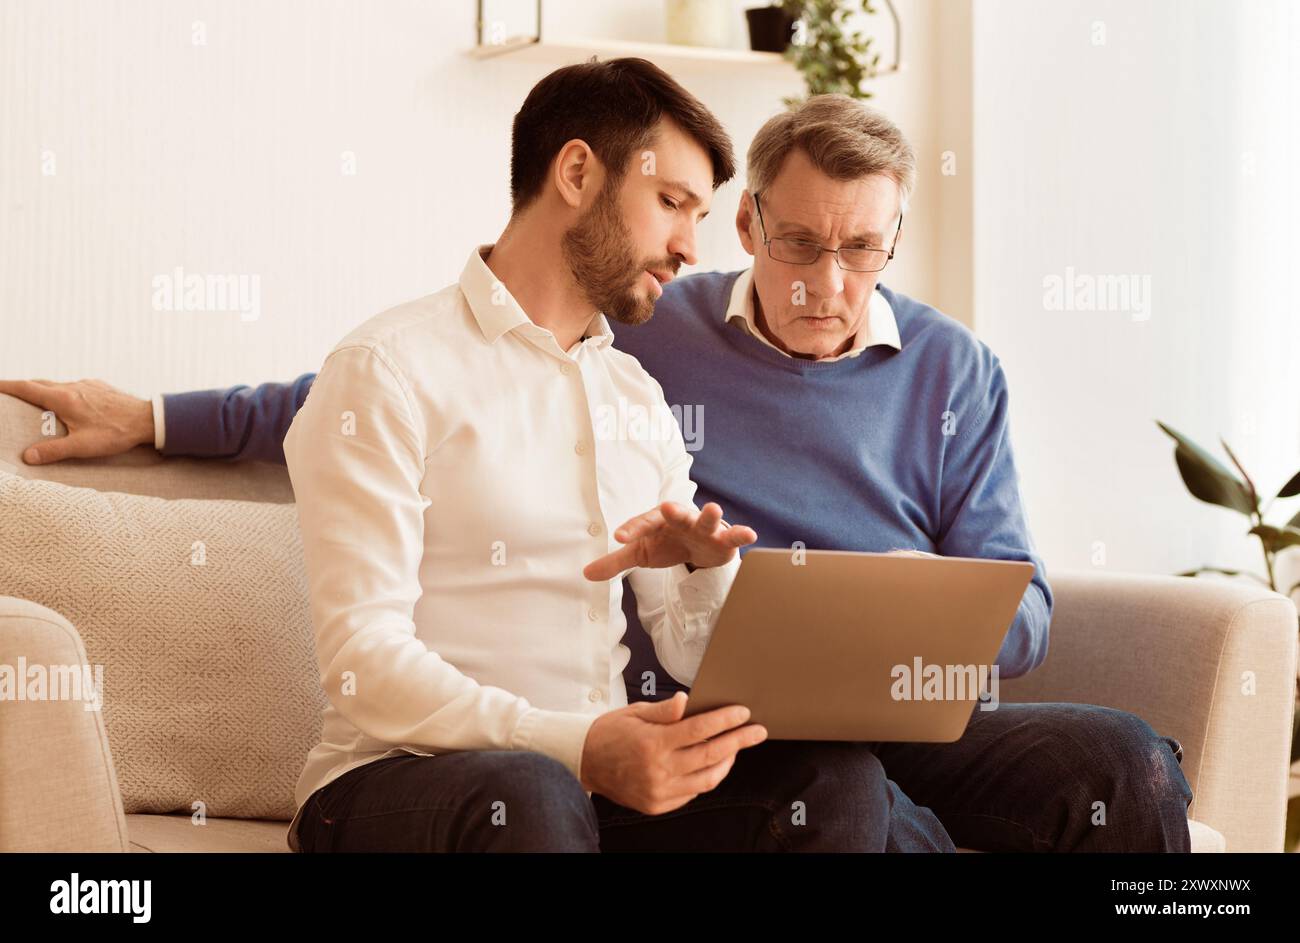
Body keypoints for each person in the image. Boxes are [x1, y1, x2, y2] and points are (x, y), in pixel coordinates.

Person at [1, 91, 1193, 853]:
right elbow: (346, 402)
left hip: (905, 709)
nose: (825, 278)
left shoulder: (936, 371)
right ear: (748, 229)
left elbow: (1012, 595)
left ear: (892, 244)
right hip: (689, 730)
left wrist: (902, 620)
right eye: (791, 239)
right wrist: (157, 413)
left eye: (859, 250)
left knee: (1122, 761)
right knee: (761, 784)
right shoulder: (640, 332)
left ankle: (895, 815)